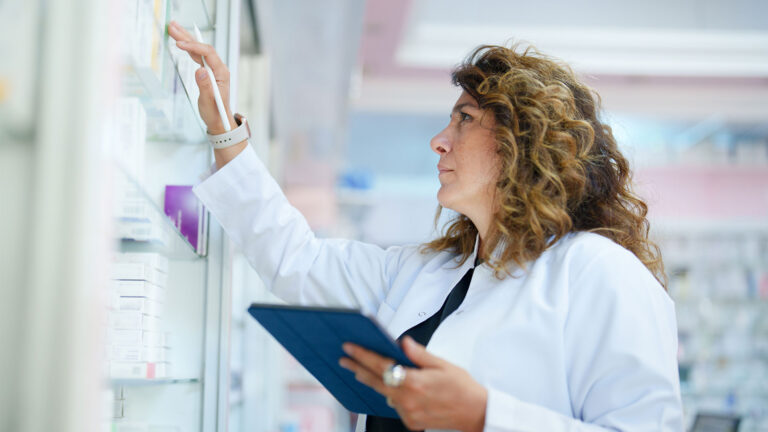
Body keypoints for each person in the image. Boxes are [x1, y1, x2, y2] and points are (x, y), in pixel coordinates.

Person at [168, 20, 683, 432]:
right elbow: (297, 260)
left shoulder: (600, 273)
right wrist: (223, 132)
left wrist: (485, 418)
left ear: (523, 142)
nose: (439, 139)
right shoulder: (429, 271)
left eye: (464, 118)